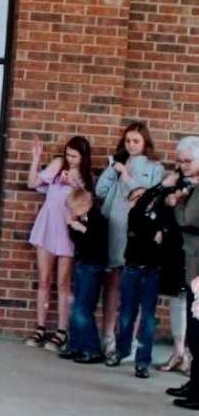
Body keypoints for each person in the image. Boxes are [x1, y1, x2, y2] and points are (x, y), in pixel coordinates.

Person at [95, 122, 164, 355]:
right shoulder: (120, 163)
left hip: (139, 233)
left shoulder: (155, 167)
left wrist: (127, 178)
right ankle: (108, 336)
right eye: (127, 141)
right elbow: (100, 191)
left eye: (136, 141)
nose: (131, 145)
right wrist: (114, 168)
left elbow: (149, 197)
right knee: (113, 284)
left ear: (145, 142)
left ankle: (129, 340)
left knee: (133, 288)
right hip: (116, 227)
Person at [25, 135, 94, 351]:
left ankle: (62, 331)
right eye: (68, 154)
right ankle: (40, 328)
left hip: (67, 231)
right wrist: (36, 159)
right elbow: (32, 183)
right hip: (47, 227)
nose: (70, 159)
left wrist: (75, 182)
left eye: (75, 156)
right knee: (44, 280)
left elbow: (88, 203)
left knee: (63, 283)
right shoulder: (57, 165)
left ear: (83, 157)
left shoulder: (87, 177)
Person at [105, 180, 178, 377]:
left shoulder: (159, 216)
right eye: (136, 198)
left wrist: (162, 230)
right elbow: (145, 226)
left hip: (152, 272)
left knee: (148, 317)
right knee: (127, 313)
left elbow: (168, 229)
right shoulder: (134, 215)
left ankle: (142, 361)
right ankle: (121, 351)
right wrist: (158, 187)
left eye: (144, 197)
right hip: (132, 269)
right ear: (130, 202)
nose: (142, 201)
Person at [165, 138, 199, 410]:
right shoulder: (192, 186)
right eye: (181, 161)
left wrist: (177, 202)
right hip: (192, 262)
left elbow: (188, 219)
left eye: (188, 161)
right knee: (193, 325)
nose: (183, 166)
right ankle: (194, 383)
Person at [59, 187, 107, 365]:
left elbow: (96, 243)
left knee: (83, 309)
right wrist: (73, 226)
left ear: (86, 204)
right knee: (77, 307)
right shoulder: (80, 218)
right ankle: (76, 345)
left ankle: (92, 349)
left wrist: (80, 227)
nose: (72, 212)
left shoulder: (98, 220)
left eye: (75, 208)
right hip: (82, 264)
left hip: (93, 267)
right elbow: (78, 242)